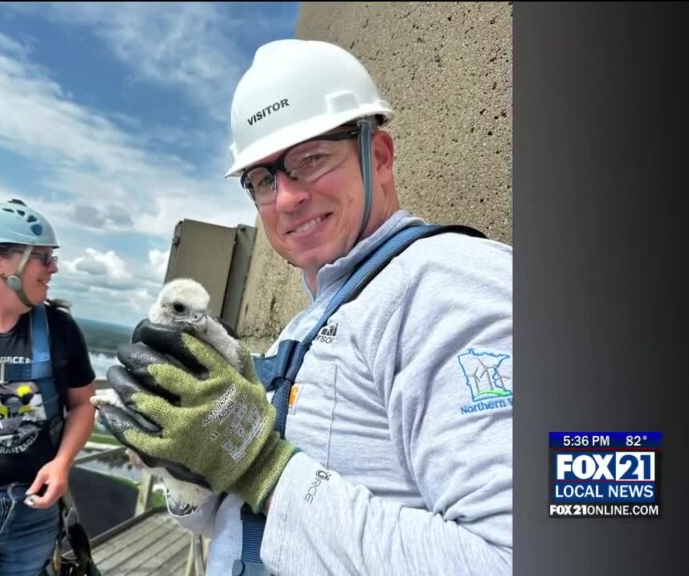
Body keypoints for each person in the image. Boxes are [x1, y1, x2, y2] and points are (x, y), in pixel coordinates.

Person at [97, 39, 512, 576]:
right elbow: (246, 523)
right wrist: (192, 474)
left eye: (310, 159)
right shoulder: (309, 326)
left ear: (378, 155)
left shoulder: (448, 284)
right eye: (264, 180)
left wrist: (262, 464)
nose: (287, 198)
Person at [0, 198, 97, 576]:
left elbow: (83, 404)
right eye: (42, 257)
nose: (54, 268)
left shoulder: (60, 330)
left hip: (34, 515)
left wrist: (62, 463)